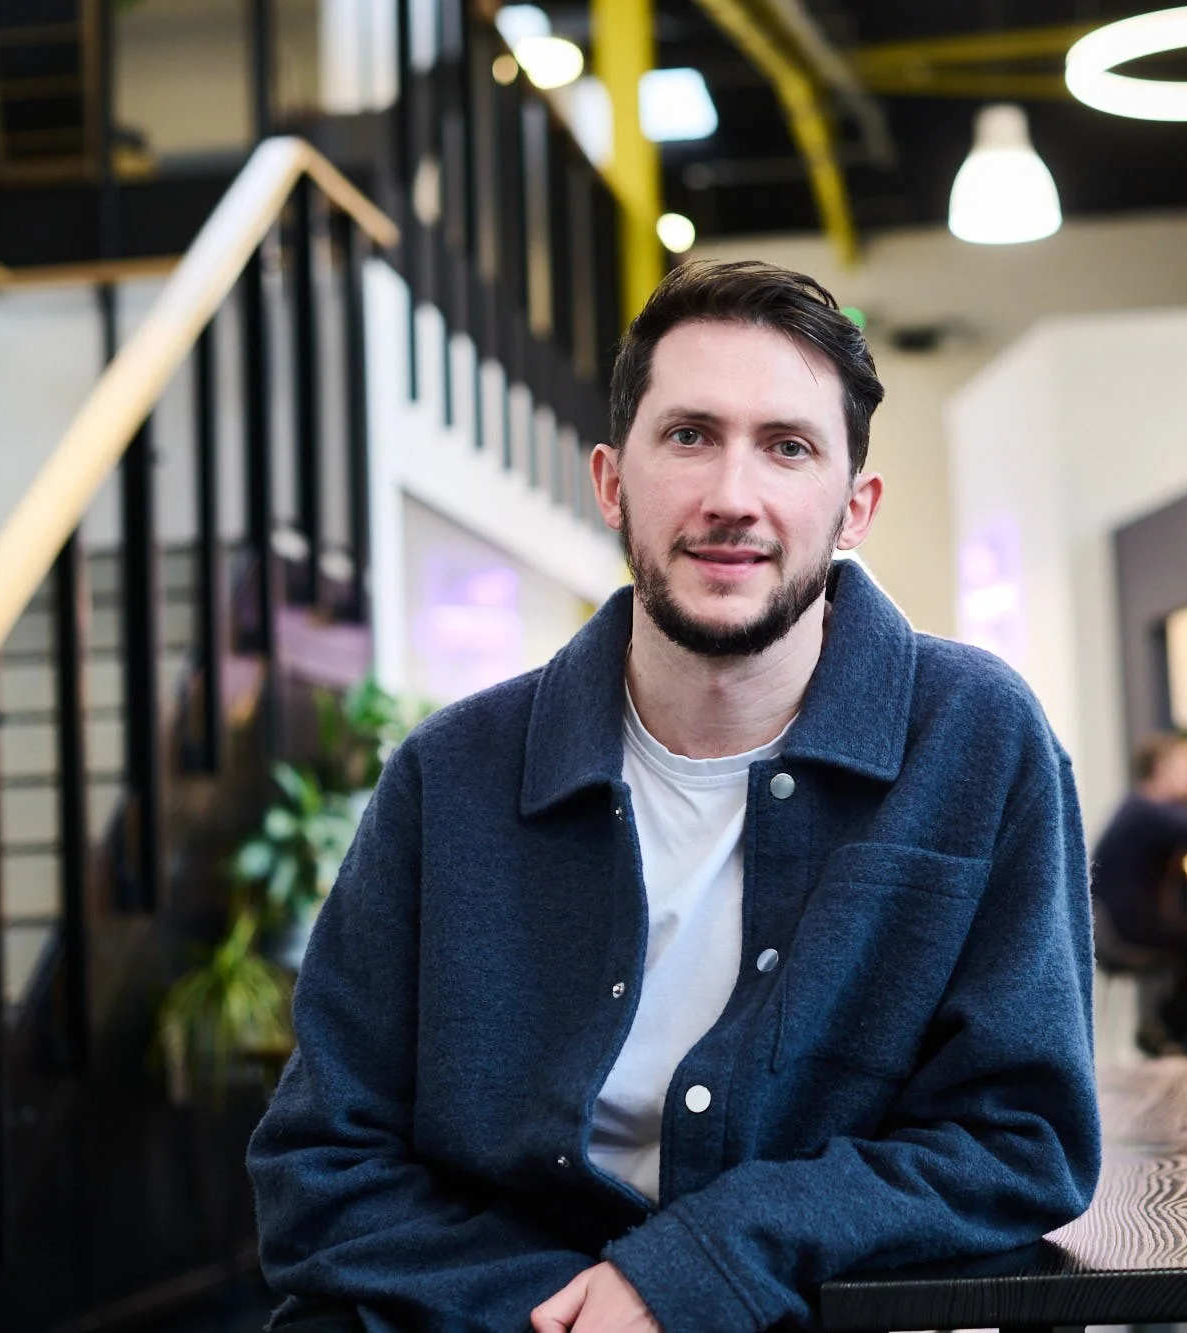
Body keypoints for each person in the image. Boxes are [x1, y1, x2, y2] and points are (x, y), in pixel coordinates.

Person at [247, 260, 1101, 1333]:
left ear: (853, 507)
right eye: (689, 435)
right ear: (611, 481)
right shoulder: (450, 773)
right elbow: (320, 1163)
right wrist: (565, 1315)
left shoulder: (974, 740)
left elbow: (1019, 1142)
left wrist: (694, 1272)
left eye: (787, 447)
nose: (731, 497)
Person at [1089, 734, 1187, 1054]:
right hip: (1129, 931)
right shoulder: (1146, 810)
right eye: (1185, 768)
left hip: (1119, 926)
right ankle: (1165, 1030)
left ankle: (1167, 1032)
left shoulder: (1135, 808)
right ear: (1161, 771)